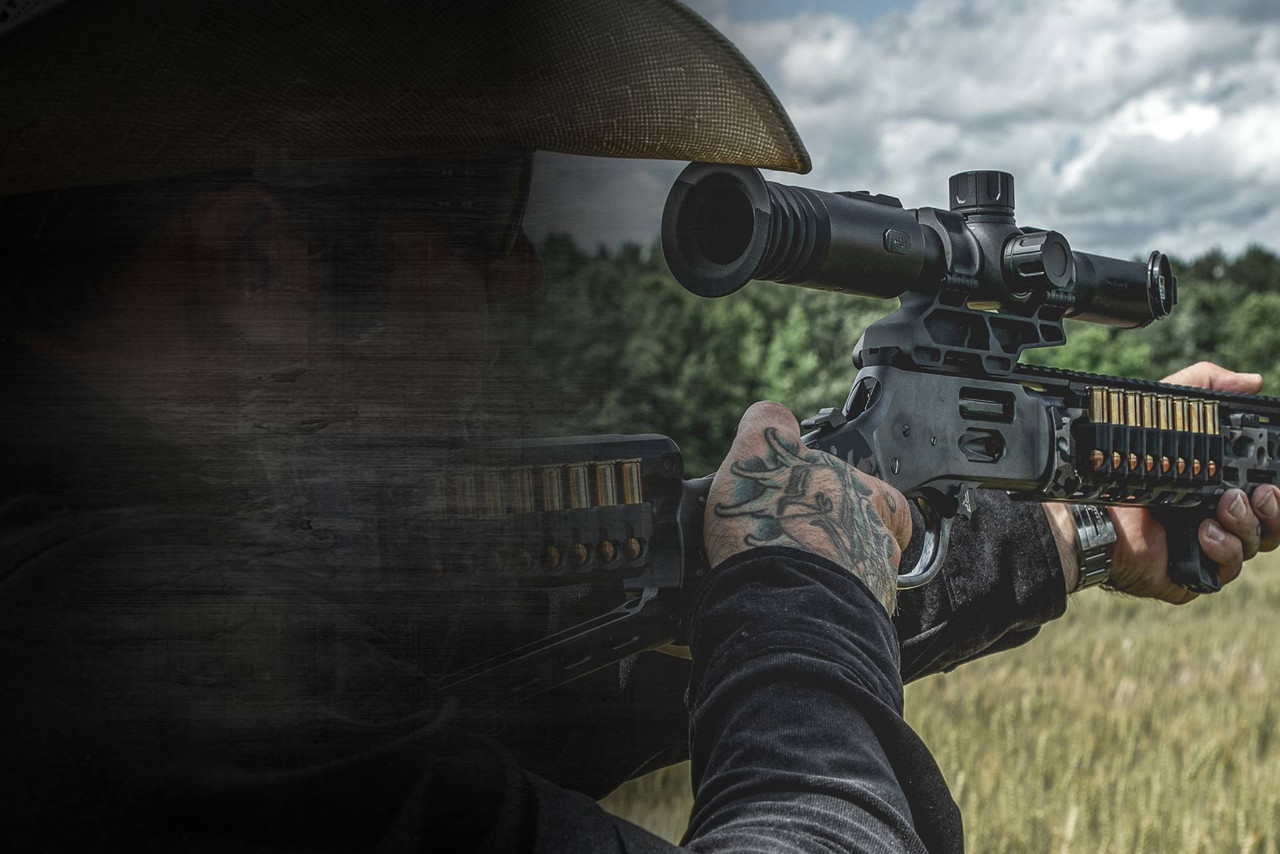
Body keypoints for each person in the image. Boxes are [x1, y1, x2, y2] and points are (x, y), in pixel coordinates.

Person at [1, 1, 1276, 850]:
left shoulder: (138, 558)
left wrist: (1075, 532)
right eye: (491, 228)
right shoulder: (140, 663)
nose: (524, 282)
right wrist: (791, 582)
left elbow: (550, 676)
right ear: (252, 261)